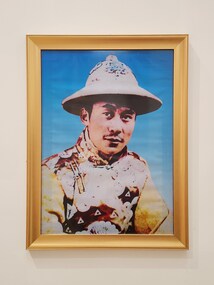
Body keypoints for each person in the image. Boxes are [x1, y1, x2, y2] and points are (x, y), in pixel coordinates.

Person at [42, 55, 170, 234]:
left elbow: (158, 233)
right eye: (108, 114)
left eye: (126, 117)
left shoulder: (137, 167)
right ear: (85, 116)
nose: (117, 127)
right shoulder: (53, 171)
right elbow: (48, 243)